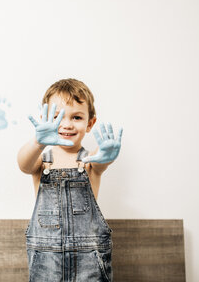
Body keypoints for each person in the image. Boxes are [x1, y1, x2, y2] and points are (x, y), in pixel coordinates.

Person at [17, 78, 123, 281]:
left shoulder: (91, 161)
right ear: (46, 119)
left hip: (89, 265)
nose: (66, 125)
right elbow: (23, 164)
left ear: (90, 123)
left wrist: (107, 154)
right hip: (46, 264)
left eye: (76, 117)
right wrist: (38, 142)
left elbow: (101, 162)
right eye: (57, 117)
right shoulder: (41, 162)